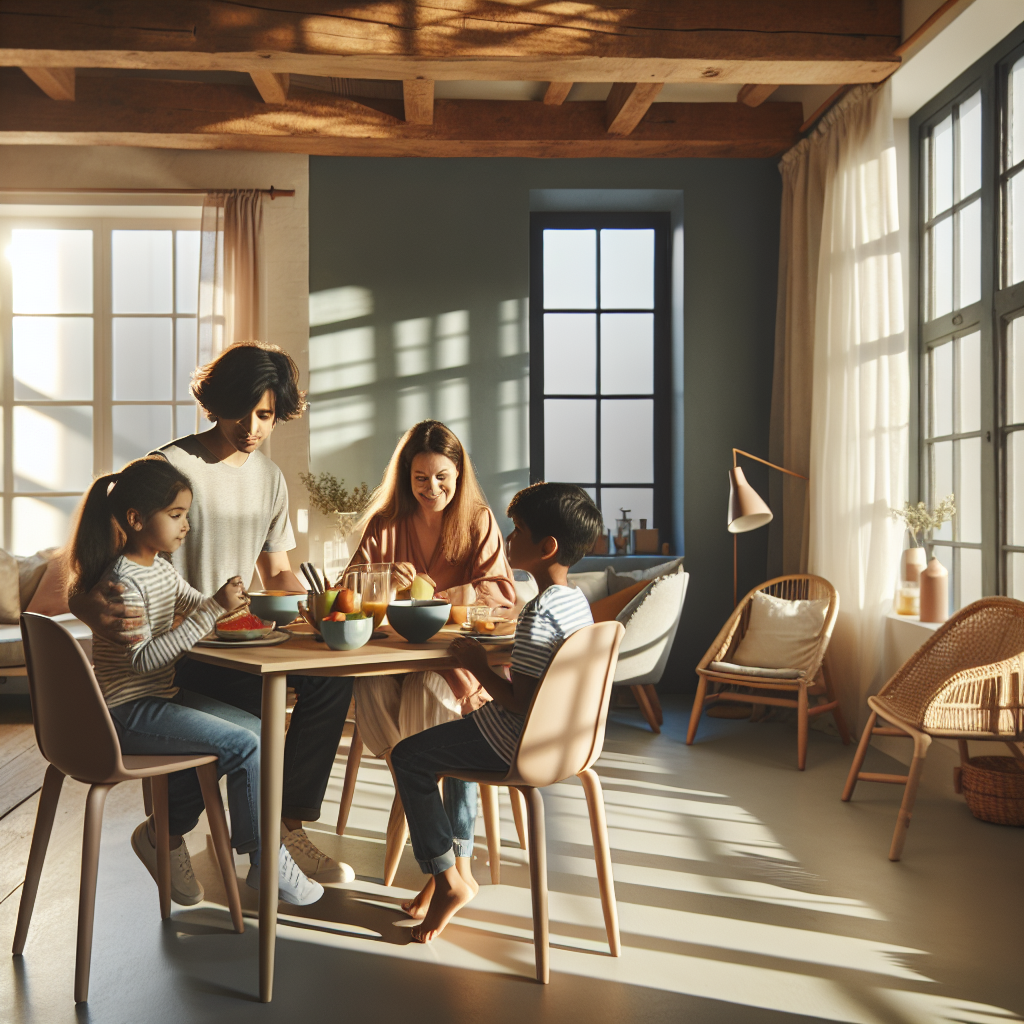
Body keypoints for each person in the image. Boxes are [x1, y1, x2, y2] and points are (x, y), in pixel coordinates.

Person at [69, 342, 353, 890]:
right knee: (245, 716)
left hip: (239, 638)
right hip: (184, 649)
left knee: (329, 682)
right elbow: (97, 565)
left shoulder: (270, 478)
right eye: (239, 410)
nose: (250, 426)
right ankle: (171, 832)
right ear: (215, 401)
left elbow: (276, 572)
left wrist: (317, 608)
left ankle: (283, 828)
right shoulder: (170, 467)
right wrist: (90, 607)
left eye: (266, 415)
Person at [68, 456, 323, 907]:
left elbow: (202, 605)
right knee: (246, 745)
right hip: (127, 712)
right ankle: (266, 859)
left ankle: (267, 859)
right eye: (177, 515)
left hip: (159, 698)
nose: (186, 526)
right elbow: (146, 659)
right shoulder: (123, 583)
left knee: (258, 732)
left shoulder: (160, 569)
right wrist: (211, 610)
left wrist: (226, 600)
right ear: (136, 519)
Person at [390, 481, 602, 941]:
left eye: (518, 530)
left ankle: (447, 878)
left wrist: (476, 665)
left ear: (546, 547)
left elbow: (519, 702)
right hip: (568, 744)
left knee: (407, 758)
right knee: (455, 741)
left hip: (514, 742)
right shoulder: (576, 603)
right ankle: (449, 875)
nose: (508, 538)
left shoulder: (538, 613)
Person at [346, 420, 515, 911]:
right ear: (405, 477)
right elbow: (349, 589)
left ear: (459, 475)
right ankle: (448, 865)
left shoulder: (478, 520)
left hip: (456, 668)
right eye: (420, 478)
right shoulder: (386, 522)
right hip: (392, 661)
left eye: (442, 477)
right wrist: (381, 578)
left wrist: (435, 595)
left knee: (430, 697)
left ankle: (449, 871)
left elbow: (501, 598)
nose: (432, 488)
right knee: (370, 691)